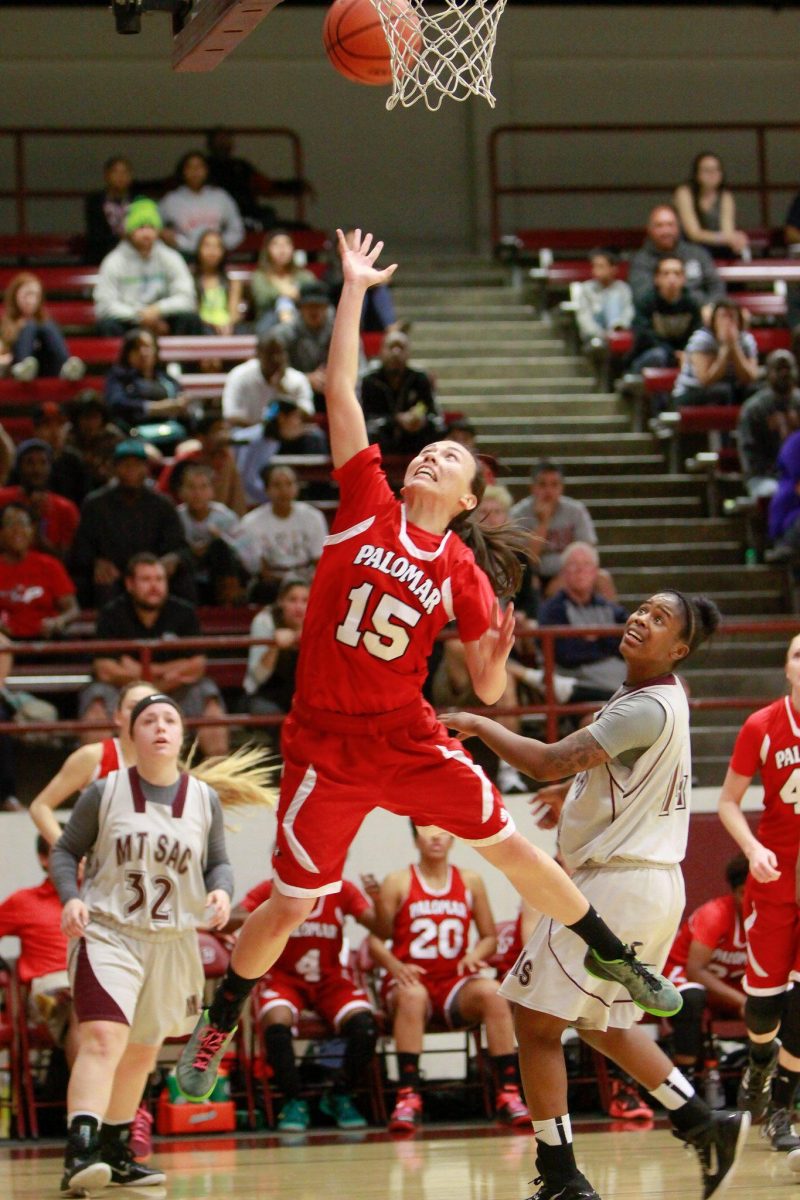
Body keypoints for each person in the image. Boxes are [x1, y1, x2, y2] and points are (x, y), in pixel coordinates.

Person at [174, 229, 683, 1109]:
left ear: (468, 498)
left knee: (511, 847)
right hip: (325, 743)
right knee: (291, 905)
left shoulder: (462, 571)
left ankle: (613, 953)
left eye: (449, 459)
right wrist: (353, 291)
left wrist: (493, 654)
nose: (430, 456)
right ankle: (222, 1018)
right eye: (429, 450)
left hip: (405, 736)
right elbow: (340, 388)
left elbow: (487, 692)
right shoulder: (366, 501)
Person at [446, 591, 750, 1200]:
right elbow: (611, 772)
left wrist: (479, 724)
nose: (641, 618)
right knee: (600, 1023)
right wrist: (581, 798)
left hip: (619, 884)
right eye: (642, 609)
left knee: (531, 1022)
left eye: (659, 620)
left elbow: (549, 760)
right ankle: (701, 1122)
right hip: (645, 882)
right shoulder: (647, 697)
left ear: (679, 650)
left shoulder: (646, 706)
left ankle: (561, 1177)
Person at [49, 693, 272, 1196]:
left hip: (170, 940)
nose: (160, 727)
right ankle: (79, 1149)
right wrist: (69, 897)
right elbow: (66, 850)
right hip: (109, 932)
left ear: (181, 734)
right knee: (103, 1039)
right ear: (131, 734)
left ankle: (116, 1150)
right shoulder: (105, 792)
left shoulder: (201, 798)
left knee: (142, 1052)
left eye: (169, 719)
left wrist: (220, 891)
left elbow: (219, 862)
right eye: (147, 720)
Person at [369, 822, 530, 1132]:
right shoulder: (398, 881)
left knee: (494, 993)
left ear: (454, 836)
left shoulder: (471, 881)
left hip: (453, 981)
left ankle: (508, 1093)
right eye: (427, 831)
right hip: (411, 982)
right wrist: (395, 966)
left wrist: (476, 954)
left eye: (442, 830)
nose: (436, 837)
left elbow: (489, 937)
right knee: (413, 996)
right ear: (415, 838)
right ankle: (408, 1096)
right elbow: (377, 938)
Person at [717, 631, 800, 1150]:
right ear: (786, 667)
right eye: (798, 653)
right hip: (773, 876)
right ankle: (759, 1064)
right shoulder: (762, 726)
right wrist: (751, 849)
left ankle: (783, 1113)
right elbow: (727, 802)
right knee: (764, 1005)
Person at [232, 870, 381, 1131]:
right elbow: (229, 919)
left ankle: (339, 1094)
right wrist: (266, 912)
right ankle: (294, 1101)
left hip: (330, 981)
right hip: (284, 978)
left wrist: (378, 900)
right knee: (276, 1024)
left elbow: (383, 928)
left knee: (365, 1025)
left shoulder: (342, 889)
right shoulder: (272, 888)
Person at [79, 552, 229, 759]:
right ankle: (102, 782)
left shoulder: (184, 612)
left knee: (207, 693)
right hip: (124, 693)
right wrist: (159, 677)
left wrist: (145, 671)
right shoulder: (111, 614)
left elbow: (197, 665)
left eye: (159, 579)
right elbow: (105, 670)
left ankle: (219, 779)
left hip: (174, 691)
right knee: (96, 698)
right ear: (130, 584)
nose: (154, 586)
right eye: (146, 580)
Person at [30, 680, 159, 848]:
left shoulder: (167, 763)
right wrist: (68, 851)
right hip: (102, 867)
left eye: (148, 707)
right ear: (117, 716)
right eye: (134, 706)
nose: (141, 713)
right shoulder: (93, 756)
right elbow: (40, 807)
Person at [68, 439, 194, 608]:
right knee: (102, 584)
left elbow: (182, 548)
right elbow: (80, 549)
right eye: (125, 465)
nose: (131, 470)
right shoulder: (95, 505)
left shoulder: (163, 504)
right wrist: (96, 562)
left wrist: (173, 558)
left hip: (152, 573)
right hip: (115, 575)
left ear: (146, 469)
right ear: (114, 469)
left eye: (137, 465)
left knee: (182, 581)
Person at [663, 854, 748, 1087]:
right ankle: (684, 1078)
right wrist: (743, 1001)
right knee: (692, 997)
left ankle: (778, 1076)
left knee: (784, 998)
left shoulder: (771, 919)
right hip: (684, 975)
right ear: (738, 892)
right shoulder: (715, 915)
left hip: (726, 984)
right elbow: (695, 971)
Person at [0, 835, 77, 1063]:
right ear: (44, 858)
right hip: (49, 988)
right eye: (62, 855)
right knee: (86, 1004)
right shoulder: (24, 901)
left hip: (93, 982)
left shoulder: (99, 899)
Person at [93, 198, 203, 337]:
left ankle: (181, 359)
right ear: (130, 231)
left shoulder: (170, 257)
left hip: (164, 317)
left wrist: (157, 310)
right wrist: (139, 315)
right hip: (129, 320)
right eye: (140, 227)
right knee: (106, 325)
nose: (146, 233)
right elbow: (104, 306)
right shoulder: (113, 261)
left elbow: (187, 299)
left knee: (190, 320)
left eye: (151, 227)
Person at [537, 542, 628, 706]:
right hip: (578, 686)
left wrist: (594, 640)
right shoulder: (552, 610)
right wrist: (606, 640)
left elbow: (628, 642)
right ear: (563, 573)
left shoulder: (608, 607)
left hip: (614, 679)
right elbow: (567, 655)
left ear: (595, 572)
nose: (580, 570)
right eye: (573, 565)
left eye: (586, 565)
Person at [508, 460, 599, 598]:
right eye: (542, 484)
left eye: (554, 484)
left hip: (569, 572)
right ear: (532, 487)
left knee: (603, 578)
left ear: (562, 487)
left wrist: (565, 577)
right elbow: (527, 559)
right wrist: (544, 522)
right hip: (531, 574)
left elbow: (588, 550)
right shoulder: (519, 514)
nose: (548, 490)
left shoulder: (576, 511)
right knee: (528, 583)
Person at [239, 463, 327, 602]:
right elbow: (260, 568)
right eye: (277, 485)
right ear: (266, 489)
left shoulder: (313, 517)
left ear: (297, 487)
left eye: (289, 484)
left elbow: (319, 560)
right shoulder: (251, 522)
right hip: (272, 582)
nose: (283, 490)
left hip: (306, 578)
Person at [628, 204, 726, 320]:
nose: (666, 231)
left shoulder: (697, 254)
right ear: (649, 229)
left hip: (699, 318)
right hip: (658, 321)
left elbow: (716, 286)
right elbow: (641, 296)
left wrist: (710, 306)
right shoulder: (640, 260)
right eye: (659, 226)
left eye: (670, 225)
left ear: (678, 227)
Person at [205, 128, 313, 231]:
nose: (223, 144)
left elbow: (266, 186)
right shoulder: (202, 167)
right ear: (211, 144)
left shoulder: (241, 167)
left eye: (226, 140)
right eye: (219, 141)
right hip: (216, 219)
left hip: (248, 215)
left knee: (301, 230)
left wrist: (296, 186)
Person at [177, 463, 252, 605]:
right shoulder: (176, 518)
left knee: (218, 546)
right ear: (181, 492)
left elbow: (250, 560)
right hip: (190, 580)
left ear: (212, 491)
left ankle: (229, 602)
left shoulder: (226, 517)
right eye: (191, 487)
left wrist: (222, 538)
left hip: (220, 576)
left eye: (203, 487)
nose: (197, 493)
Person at [0, 502, 78, 640]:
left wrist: (58, 622)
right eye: (10, 524)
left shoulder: (50, 565)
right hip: (5, 642)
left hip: (46, 639)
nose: (18, 530)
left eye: (23, 524)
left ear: (32, 530)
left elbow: (72, 609)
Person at [360, 330, 443, 457]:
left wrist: (421, 420)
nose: (396, 353)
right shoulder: (370, 380)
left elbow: (433, 413)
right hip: (382, 433)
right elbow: (365, 417)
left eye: (401, 348)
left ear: (409, 353)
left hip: (413, 436)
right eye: (391, 347)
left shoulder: (419, 378)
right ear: (381, 351)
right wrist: (397, 420)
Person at [238, 398, 329, 508]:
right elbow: (247, 479)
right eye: (296, 417)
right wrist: (274, 498)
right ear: (281, 418)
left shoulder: (272, 442)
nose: (298, 423)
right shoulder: (256, 441)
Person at [242, 576, 308, 728]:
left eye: (305, 601)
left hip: (305, 697)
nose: (299, 607)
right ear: (281, 602)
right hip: (265, 694)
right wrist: (274, 646)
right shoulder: (266, 621)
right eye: (292, 600)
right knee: (277, 719)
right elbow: (258, 677)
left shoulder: (321, 622)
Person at [0, 439, 80, 560]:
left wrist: (38, 533)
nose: (37, 469)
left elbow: (70, 560)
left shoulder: (66, 508)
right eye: (29, 463)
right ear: (19, 467)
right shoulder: (2, 499)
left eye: (43, 463)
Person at [737, 350, 800, 500]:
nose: (784, 373)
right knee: (777, 493)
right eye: (779, 369)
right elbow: (750, 455)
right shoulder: (753, 409)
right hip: (764, 477)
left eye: (788, 368)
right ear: (768, 373)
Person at [672, 300, 759, 408]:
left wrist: (735, 347)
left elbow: (750, 377)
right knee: (723, 392)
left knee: (756, 391)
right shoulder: (702, 340)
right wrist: (725, 350)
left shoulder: (746, 340)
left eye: (732, 317)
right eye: (723, 316)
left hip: (729, 388)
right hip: (691, 392)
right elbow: (705, 380)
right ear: (714, 321)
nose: (728, 321)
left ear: (739, 321)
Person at [0, 272, 84, 383]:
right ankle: (23, 366)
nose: (32, 300)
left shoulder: (47, 325)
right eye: (27, 294)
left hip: (46, 370)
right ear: (15, 294)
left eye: (36, 295)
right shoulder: (4, 323)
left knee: (46, 325)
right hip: (15, 370)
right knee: (30, 326)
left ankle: (67, 366)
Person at [157, 414, 247, 516]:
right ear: (201, 438)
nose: (222, 435)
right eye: (217, 431)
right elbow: (162, 493)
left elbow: (237, 497)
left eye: (225, 430)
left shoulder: (226, 459)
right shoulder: (186, 460)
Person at [222, 330, 314, 428]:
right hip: (250, 433)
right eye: (270, 354)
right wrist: (263, 429)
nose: (276, 359)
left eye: (280, 353)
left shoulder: (297, 379)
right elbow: (231, 415)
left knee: (314, 436)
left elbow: (308, 413)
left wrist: (283, 393)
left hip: (289, 435)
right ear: (258, 354)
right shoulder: (240, 376)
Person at [159, 151, 244, 257]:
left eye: (199, 167)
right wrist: (165, 235)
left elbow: (236, 228)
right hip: (183, 254)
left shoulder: (220, 197)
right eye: (190, 167)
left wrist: (221, 245)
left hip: (217, 256)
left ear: (206, 170)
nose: (195, 171)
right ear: (183, 171)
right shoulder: (171, 200)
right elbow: (155, 225)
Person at [103, 328, 188, 433]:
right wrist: (155, 408)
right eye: (137, 348)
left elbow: (181, 400)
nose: (143, 352)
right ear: (127, 353)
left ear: (155, 350)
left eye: (147, 347)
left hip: (172, 433)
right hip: (133, 434)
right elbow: (116, 404)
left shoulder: (167, 379)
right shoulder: (119, 377)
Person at [628, 256, 703, 373]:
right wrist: (673, 354)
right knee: (658, 356)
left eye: (677, 273)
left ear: (684, 279)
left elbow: (697, 334)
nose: (671, 278)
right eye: (666, 273)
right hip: (649, 355)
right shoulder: (645, 302)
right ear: (656, 278)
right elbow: (644, 336)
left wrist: (685, 353)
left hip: (684, 355)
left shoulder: (693, 304)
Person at [275, 280, 338, 411]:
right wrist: (304, 379)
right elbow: (275, 372)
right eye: (309, 306)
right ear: (300, 308)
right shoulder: (284, 333)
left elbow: (360, 367)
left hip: (336, 390)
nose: (314, 311)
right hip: (296, 395)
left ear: (327, 307)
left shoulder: (340, 331)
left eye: (319, 306)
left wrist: (337, 378)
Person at [673, 152, 750, 259]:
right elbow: (693, 233)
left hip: (717, 248)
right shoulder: (684, 193)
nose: (712, 174)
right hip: (689, 248)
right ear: (696, 174)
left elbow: (727, 231)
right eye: (707, 170)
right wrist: (724, 238)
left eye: (716, 170)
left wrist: (734, 239)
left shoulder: (726, 196)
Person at [249, 229, 317, 332]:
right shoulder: (260, 276)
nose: (282, 249)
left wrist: (298, 295)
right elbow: (261, 300)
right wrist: (283, 292)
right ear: (267, 249)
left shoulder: (304, 275)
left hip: (302, 317)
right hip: (269, 320)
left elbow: (315, 295)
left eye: (286, 244)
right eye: (276, 245)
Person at [572, 249, 633, 351]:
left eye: (601, 266)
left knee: (613, 296)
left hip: (618, 332)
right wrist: (601, 334)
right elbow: (584, 317)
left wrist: (621, 327)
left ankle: (614, 331)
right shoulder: (586, 289)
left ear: (613, 268)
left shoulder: (623, 288)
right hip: (594, 335)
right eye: (594, 266)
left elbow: (628, 312)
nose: (596, 270)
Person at [84, 155, 136, 264]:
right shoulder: (94, 201)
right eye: (115, 172)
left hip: (134, 257)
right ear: (106, 175)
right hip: (101, 258)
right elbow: (95, 235)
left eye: (125, 172)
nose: (120, 176)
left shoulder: (139, 201)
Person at [193, 229, 244, 335]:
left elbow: (234, 312)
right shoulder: (190, 280)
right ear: (199, 250)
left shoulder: (232, 282)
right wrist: (212, 325)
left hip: (227, 327)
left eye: (217, 246)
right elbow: (193, 312)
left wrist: (228, 324)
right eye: (207, 246)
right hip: (201, 327)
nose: (212, 251)